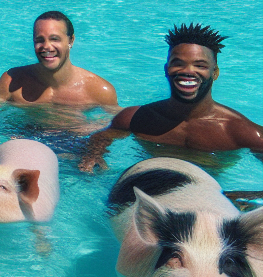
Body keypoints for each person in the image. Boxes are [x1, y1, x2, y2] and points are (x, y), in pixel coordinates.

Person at [80, 23, 263, 171]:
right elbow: (102, 136)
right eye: (178, 64)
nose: (188, 72)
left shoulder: (241, 132)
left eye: (200, 65)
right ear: (166, 69)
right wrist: (94, 154)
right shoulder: (135, 119)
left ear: (214, 73)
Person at [0, 11, 117, 108]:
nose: (46, 46)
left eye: (54, 39)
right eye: (39, 40)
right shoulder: (12, 81)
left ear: (71, 40)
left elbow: (117, 128)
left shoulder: (100, 91)